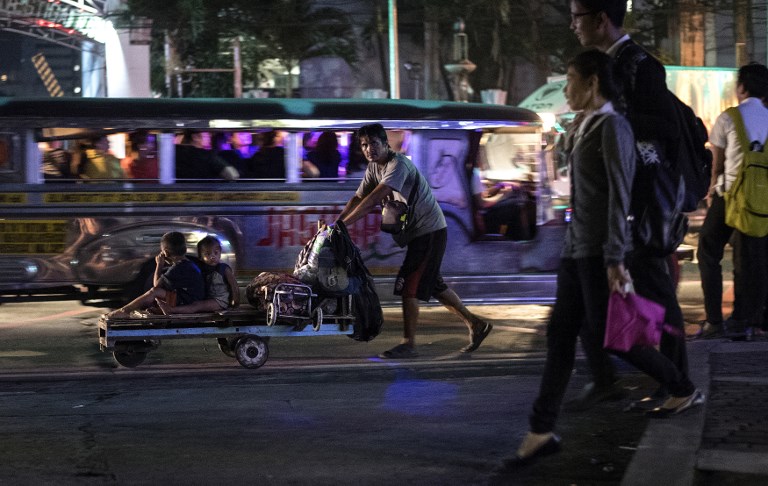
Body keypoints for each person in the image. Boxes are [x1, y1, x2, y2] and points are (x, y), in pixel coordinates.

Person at [495, 50, 703, 473]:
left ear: (592, 83)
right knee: (560, 338)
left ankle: (681, 385)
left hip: (597, 253)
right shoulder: (587, 124)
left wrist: (615, 258)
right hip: (576, 250)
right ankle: (539, 431)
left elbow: (619, 196)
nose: (566, 89)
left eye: (571, 79)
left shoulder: (614, 127)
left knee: (613, 338)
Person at [566, 0, 689, 408]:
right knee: (590, 302)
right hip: (614, 207)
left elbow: (666, 128)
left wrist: (611, 118)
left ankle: (680, 382)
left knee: (654, 291)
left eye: (578, 17)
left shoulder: (640, 64)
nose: (573, 25)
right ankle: (609, 378)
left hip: (641, 203)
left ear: (601, 19)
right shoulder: (603, 64)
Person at [337, 123, 491, 358]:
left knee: (409, 285)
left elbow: (373, 198)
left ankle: (408, 343)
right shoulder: (373, 168)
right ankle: (476, 324)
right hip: (418, 234)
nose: (369, 149)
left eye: (373, 144)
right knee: (434, 285)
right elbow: (358, 198)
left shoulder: (397, 165)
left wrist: (343, 225)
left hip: (429, 231)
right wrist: (335, 224)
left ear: (385, 143)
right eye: (364, 145)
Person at [699, 63, 768, 338]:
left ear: (742, 87)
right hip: (761, 200)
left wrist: (711, 190)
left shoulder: (729, 118)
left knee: (708, 249)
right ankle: (746, 320)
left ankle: (714, 320)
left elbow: (717, 165)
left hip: (729, 197)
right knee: (752, 260)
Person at [105, 231, 206, 318]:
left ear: (165, 252)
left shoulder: (178, 268)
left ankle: (125, 311)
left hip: (188, 303)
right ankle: (157, 310)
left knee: (154, 292)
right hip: (190, 299)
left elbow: (156, 286)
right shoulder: (188, 264)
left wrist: (159, 265)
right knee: (162, 292)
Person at [156, 235, 240, 314]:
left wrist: (235, 303)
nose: (213, 256)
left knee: (197, 305)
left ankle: (171, 310)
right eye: (208, 254)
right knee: (190, 301)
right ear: (200, 257)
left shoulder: (224, 268)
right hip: (208, 299)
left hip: (220, 301)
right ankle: (163, 309)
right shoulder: (200, 268)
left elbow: (234, 285)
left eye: (216, 253)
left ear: (220, 253)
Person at [176, 130, 240, 181]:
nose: (210, 137)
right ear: (195, 137)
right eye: (207, 135)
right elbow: (232, 175)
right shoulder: (207, 155)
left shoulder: (176, 152)